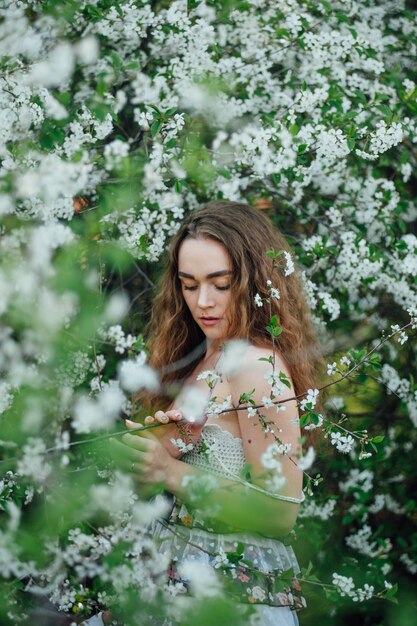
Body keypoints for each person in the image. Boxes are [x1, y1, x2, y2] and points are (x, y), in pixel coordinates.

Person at [107, 201, 323, 625]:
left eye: (219, 284)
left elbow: (281, 512)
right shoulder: (205, 356)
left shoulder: (257, 367)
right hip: (171, 577)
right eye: (189, 285)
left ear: (253, 282)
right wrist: (151, 449)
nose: (202, 301)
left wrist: (169, 472)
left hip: (232, 596)